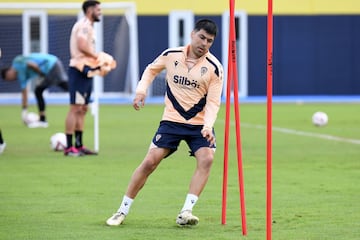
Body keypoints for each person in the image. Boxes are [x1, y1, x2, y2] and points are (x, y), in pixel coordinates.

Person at [106, 19, 224, 227]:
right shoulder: (171, 55)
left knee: (207, 159)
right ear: (192, 34)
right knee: (150, 161)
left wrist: (208, 126)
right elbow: (151, 69)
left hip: (199, 124)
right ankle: (121, 211)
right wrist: (141, 90)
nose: (204, 43)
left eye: (210, 41)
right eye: (202, 37)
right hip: (171, 120)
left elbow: (214, 102)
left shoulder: (215, 68)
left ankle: (186, 212)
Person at [64, 0, 106, 157]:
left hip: (86, 70)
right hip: (78, 70)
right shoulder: (84, 25)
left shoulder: (89, 26)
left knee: (82, 109)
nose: (100, 12)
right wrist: (98, 57)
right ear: (90, 10)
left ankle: (79, 145)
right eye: (98, 9)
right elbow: (81, 45)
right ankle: (69, 148)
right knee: (75, 108)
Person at [1, 53, 69, 128]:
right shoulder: (20, 75)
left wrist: (41, 73)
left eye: (9, 79)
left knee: (64, 86)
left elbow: (31, 64)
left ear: (8, 73)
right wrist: (24, 110)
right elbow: (24, 92)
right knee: (40, 91)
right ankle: (42, 119)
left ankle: (43, 121)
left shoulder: (17, 63)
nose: (11, 80)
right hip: (52, 64)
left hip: (50, 65)